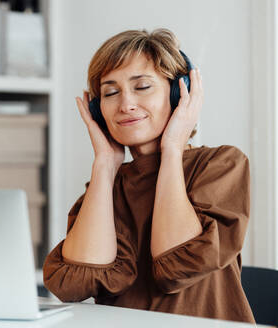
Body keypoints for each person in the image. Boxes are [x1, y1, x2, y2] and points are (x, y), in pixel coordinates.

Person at [43, 28, 255, 323]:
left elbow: (177, 268)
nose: (126, 104)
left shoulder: (221, 165)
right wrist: (104, 163)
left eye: (142, 87)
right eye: (110, 92)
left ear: (178, 93)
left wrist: (172, 147)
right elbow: (76, 285)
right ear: (96, 109)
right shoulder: (104, 190)